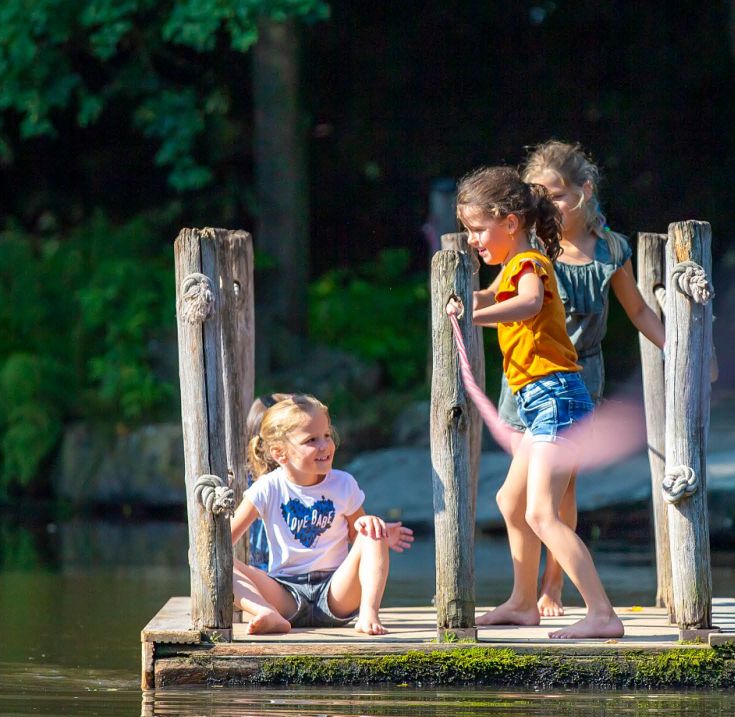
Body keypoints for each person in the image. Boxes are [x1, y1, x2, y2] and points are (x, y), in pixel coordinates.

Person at [446, 165, 624, 640]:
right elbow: (487, 294)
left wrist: (476, 313)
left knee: (541, 512)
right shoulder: (510, 267)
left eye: (479, 230)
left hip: (559, 399)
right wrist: (466, 293)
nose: (475, 241)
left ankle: (602, 613)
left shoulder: (530, 264)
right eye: (468, 231)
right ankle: (524, 603)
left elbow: (526, 304)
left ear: (510, 222)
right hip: (538, 401)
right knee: (511, 500)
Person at [502, 140, 666, 617]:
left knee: (560, 490)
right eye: (539, 196)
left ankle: (553, 587)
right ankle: (522, 596)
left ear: (583, 191)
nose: (547, 206)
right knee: (524, 495)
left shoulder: (610, 250)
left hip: (576, 384)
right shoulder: (530, 248)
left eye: (555, 195)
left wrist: (682, 350)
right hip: (527, 382)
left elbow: (637, 310)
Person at [228, 393, 410, 636]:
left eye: (326, 435)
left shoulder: (343, 484)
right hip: (285, 595)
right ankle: (264, 612)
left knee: (371, 532)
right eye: (311, 440)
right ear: (280, 453)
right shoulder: (266, 487)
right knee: (213, 559)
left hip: (335, 592)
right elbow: (222, 542)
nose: (325, 445)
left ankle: (369, 613)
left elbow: (360, 537)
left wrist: (376, 528)